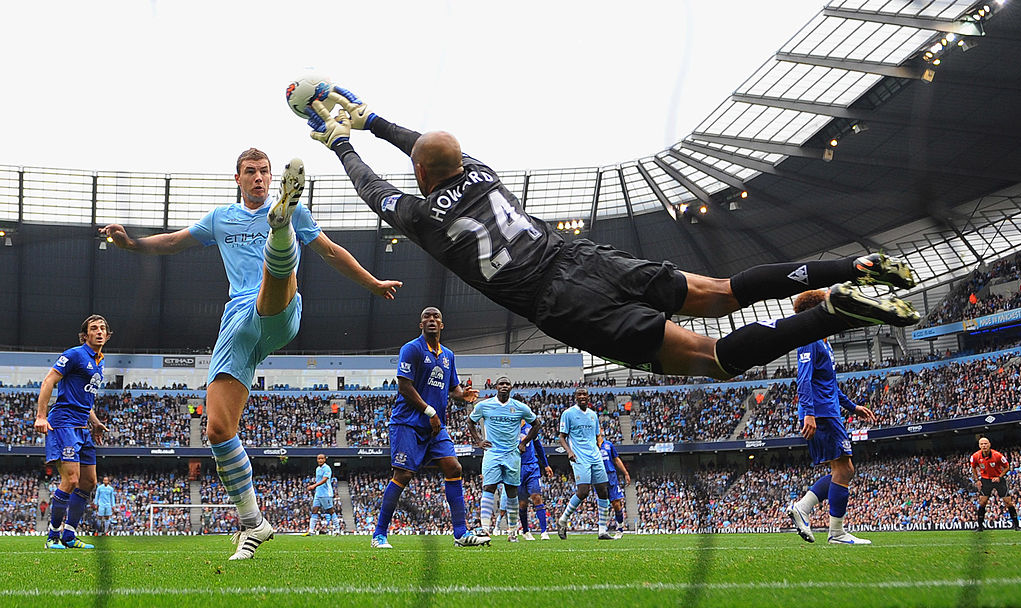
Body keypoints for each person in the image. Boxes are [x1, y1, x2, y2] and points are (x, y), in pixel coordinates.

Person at [300, 86, 919, 382]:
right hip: (581, 257)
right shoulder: (481, 171)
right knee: (723, 291)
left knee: (714, 359)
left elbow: (374, 193)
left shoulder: (422, 217)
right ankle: (855, 270)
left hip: (561, 302)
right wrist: (376, 119)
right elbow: (431, 149)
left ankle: (835, 314)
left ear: (420, 176)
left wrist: (343, 146)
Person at [100, 150, 401, 559]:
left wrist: (372, 282)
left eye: (264, 172)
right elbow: (173, 241)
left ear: (273, 180)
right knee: (217, 429)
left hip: (278, 309)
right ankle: (253, 523)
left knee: (273, 277)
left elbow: (331, 251)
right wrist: (130, 243)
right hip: (236, 324)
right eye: (250, 172)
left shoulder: (300, 213)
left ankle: (280, 235)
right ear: (237, 178)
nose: (258, 177)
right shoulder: (221, 218)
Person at [371, 307, 488, 549]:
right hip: (408, 423)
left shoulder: (448, 355)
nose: (432, 320)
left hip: (435, 426)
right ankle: (379, 535)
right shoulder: (411, 349)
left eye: (436, 317)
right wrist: (430, 412)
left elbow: (453, 388)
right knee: (402, 475)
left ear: (442, 325)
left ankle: (460, 534)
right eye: (427, 317)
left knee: (454, 467)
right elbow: (404, 387)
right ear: (421, 324)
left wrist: (462, 394)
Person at [784, 290, 876, 545]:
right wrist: (810, 414)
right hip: (821, 413)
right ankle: (835, 532)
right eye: (827, 307)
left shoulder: (823, 341)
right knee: (843, 469)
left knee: (843, 470)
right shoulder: (809, 340)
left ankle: (804, 509)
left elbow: (830, 385)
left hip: (829, 411)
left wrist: (852, 406)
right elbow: (803, 379)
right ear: (817, 311)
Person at [33, 315, 112, 549]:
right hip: (64, 423)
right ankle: (53, 537)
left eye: (103, 329)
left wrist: (95, 422)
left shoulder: (99, 361)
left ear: (107, 335)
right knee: (71, 479)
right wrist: (41, 415)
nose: (99, 332)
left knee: (89, 482)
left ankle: (69, 536)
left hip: (82, 426)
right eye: (94, 329)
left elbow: (84, 400)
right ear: (85, 335)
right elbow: (49, 381)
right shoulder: (75, 354)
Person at [467, 376, 541, 543]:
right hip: (492, 453)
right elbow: (470, 422)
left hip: (512, 454)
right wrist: (478, 441)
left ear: (511, 387)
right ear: (496, 386)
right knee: (489, 487)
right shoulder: (484, 405)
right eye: (501, 384)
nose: (504, 386)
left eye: (507, 384)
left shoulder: (519, 407)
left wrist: (524, 442)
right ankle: (485, 529)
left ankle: (513, 531)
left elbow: (536, 424)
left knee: (511, 491)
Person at [556, 388, 612, 540]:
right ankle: (563, 520)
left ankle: (602, 530)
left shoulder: (593, 415)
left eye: (584, 394)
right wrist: (569, 451)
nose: (582, 397)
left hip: (595, 456)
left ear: (588, 397)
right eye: (579, 394)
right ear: (575, 397)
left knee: (602, 491)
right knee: (583, 491)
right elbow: (561, 437)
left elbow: (597, 436)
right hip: (579, 457)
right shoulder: (568, 414)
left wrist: (602, 447)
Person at [507, 417, 554, 540]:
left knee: (536, 497)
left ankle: (544, 531)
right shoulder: (511, 428)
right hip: (517, 469)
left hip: (532, 467)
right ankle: (526, 531)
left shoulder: (530, 428)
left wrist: (546, 465)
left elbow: (538, 446)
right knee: (522, 504)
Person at [971, 437, 1019, 531]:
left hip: (998, 480)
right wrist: (977, 480)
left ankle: (1017, 525)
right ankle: (980, 526)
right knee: (982, 502)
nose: (984, 445)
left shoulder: (997, 455)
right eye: (982, 444)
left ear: (989, 444)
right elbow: (973, 468)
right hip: (985, 480)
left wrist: (999, 477)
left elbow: (1007, 466)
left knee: (1008, 502)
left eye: (985, 443)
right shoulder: (975, 456)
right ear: (979, 446)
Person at [598, 433, 631, 539]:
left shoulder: (608, 445)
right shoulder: (591, 446)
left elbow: (616, 459)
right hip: (598, 477)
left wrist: (625, 473)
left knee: (616, 504)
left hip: (611, 476)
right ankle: (602, 530)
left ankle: (620, 528)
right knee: (602, 504)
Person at [304, 454, 337, 536]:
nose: (320, 460)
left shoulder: (327, 468)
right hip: (318, 493)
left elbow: (324, 479)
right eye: (318, 459)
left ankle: (337, 528)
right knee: (314, 510)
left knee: (330, 511)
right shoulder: (318, 469)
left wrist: (313, 486)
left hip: (326, 493)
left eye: (322, 458)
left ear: (325, 459)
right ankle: (311, 530)